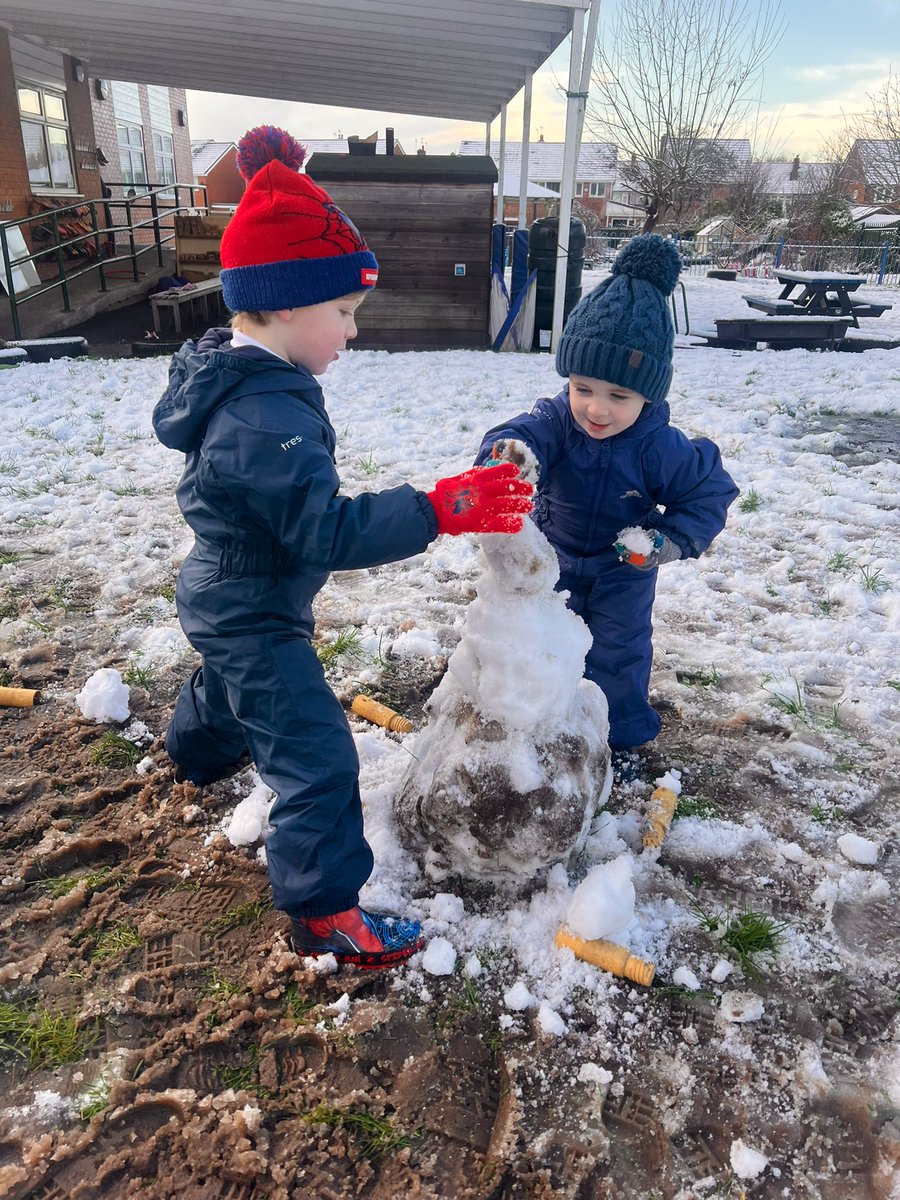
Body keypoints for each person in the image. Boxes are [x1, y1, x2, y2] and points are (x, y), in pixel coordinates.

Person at [152, 126, 532, 969]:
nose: (353, 332)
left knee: (237, 689)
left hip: (234, 595)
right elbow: (325, 527)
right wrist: (435, 510)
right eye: (345, 313)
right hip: (252, 608)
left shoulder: (257, 381)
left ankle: (190, 752)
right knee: (317, 756)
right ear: (287, 304)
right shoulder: (264, 416)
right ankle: (324, 914)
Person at [476, 234, 738, 773]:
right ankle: (542, 723)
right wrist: (509, 459)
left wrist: (669, 541)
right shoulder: (556, 422)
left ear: (648, 395)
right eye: (583, 388)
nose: (596, 409)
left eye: (619, 396)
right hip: (553, 557)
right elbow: (519, 435)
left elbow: (707, 491)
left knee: (619, 652)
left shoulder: (659, 446)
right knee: (540, 641)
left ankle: (619, 742)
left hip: (624, 568)